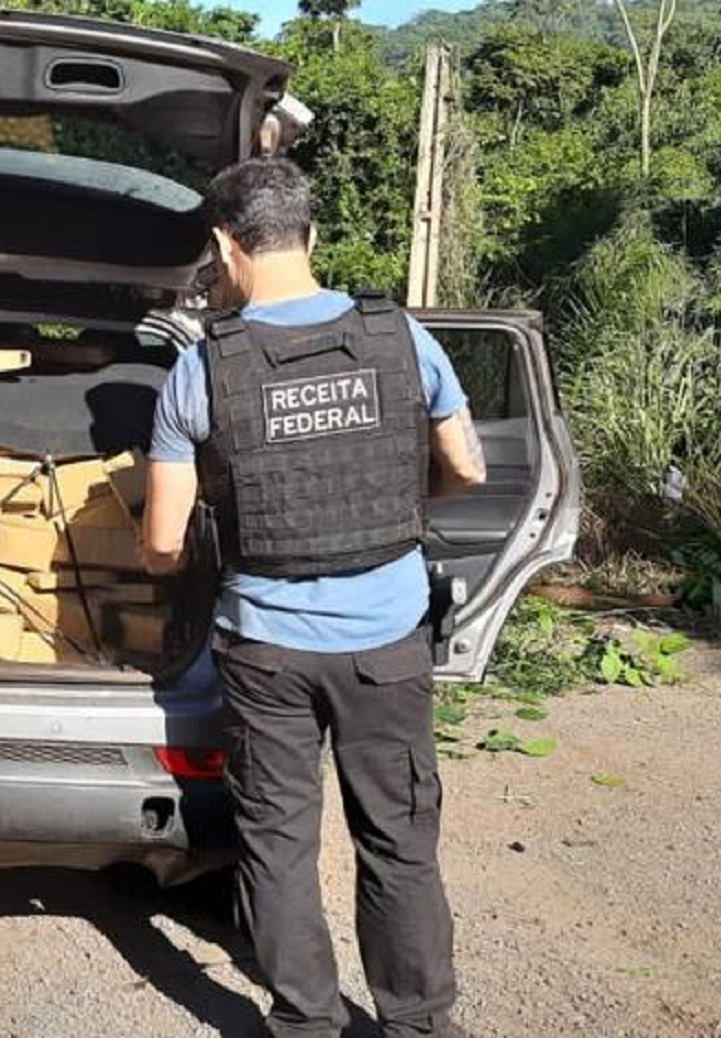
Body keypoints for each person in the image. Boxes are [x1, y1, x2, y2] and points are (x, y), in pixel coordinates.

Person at [138, 157, 487, 1038]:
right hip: (387, 645)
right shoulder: (400, 337)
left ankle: (304, 1022)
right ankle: (416, 1027)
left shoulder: (201, 370)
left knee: (280, 844)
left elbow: (163, 544)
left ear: (224, 243)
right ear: (311, 235)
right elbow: (469, 469)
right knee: (400, 841)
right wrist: (401, 510)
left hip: (266, 654)